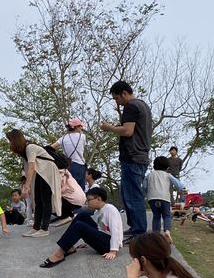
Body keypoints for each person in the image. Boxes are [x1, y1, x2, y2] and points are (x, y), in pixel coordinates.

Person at [101, 81, 151, 237]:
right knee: (128, 194)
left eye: (116, 98)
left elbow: (128, 131)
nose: (117, 102)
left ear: (124, 93)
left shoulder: (131, 106)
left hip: (133, 156)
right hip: (140, 155)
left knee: (133, 196)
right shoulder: (143, 105)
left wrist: (110, 128)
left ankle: (139, 231)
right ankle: (135, 227)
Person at [40, 186, 122, 267]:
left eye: (89, 200)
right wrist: (90, 240)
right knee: (81, 216)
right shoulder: (97, 212)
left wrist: (113, 251)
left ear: (99, 199)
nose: (87, 203)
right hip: (103, 239)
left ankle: (59, 254)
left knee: (79, 226)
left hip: (109, 245)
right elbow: (99, 229)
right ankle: (69, 246)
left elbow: (115, 230)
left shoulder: (110, 209)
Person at [6, 129, 60, 237]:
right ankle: (36, 227)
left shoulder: (30, 148)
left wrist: (26, 187)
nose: (9, 143)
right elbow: (27, 169)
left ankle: (44, 228)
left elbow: (31, 167)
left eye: (10, 140)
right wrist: (28, 185)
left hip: (47, 171)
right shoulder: (24, 150)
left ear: (15, 140)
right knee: (38, 200)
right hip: (41, 172)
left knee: (45, 199)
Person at [146, 156, 186, 240]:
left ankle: (156, 234)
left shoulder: (149, 175)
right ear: (167, 168)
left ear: (154, 166)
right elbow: (178, 184)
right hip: (164, 199)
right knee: (166, 216)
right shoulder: (168, 175)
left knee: (156, 216)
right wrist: (183, 189)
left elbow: (144, 187)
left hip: (152, 199)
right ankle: (167, 231)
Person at [52, 118, 87, 189]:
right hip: (79, 165)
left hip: (67, 166)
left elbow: (51, 147)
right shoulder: (82, 136)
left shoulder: (63, 138)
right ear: (76, 127)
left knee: (68, 189)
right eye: (80, 126)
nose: (81, 128)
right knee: (80, 190)